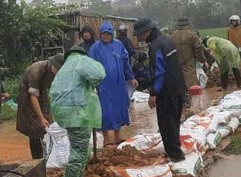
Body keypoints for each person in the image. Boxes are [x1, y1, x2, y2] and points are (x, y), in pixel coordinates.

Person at [50, 46, 106, 177]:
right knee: (79, 153)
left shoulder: (64, 69)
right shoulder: (81, 60)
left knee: (78, 149)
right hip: (79, 114)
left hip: (65, 115)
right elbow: (99, 74)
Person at [133, 18, 186, 163]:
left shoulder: (155, 46)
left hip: (166, 90)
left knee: (166, 123)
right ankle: (175, 150)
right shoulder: (166, 39)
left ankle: (175, 155)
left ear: (147, 31)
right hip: (178, 87)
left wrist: (153, 93)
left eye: (139, 35)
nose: (139, 38)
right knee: (174, 121)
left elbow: (158, 72)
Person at [89, 21, 137, 146]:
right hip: (103, 86)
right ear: (100, 34)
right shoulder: (95, 48)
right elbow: (90, 67)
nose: (106, 36)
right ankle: (106, 139)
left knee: (119, 109)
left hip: (118, 85)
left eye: (108, 34)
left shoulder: (119, 45)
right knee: (105, 112)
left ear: (112, 34)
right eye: (103, 34)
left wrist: (131, 77)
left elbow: (125, 63)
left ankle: (117, 135)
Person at [16, 53, 65, 159]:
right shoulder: (36, 70)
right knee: (34, 127)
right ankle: (37, 158)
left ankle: (49, 156)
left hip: (42, 93)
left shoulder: (55, 72)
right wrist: (41, 118)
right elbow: (33, 95)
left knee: (49, 123)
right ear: (53, 65)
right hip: (28, 96)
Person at [170, 17, 208, 97]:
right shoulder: (192, 34)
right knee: (192, 84)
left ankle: (182, 102)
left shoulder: (172, 35)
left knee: (180, 83)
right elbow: (198, 49)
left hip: (176, 64)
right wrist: (202, 60)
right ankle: (192, 103)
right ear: (187, 24)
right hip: (189, 62)